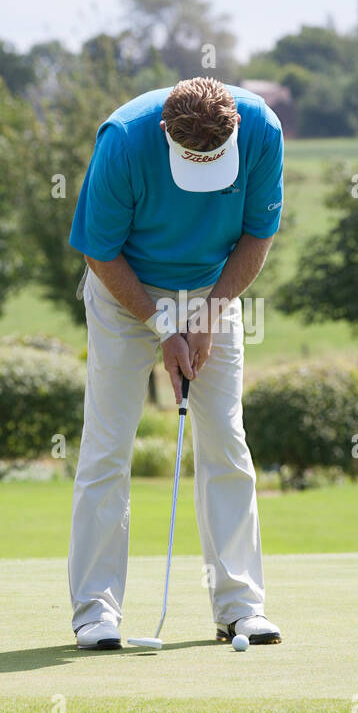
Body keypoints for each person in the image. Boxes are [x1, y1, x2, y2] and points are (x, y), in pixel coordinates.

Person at [66, 76, 286, 649]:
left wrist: (211, 312)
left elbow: (259, 233)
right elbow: (100, 249)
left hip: (214, 286)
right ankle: (96, 612)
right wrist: (163, 326)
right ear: (167, 133)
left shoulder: (262, 129)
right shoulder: (123, 139)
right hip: (124, 290)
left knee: (226, 441)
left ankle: (240, 606)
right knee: (108, 445)